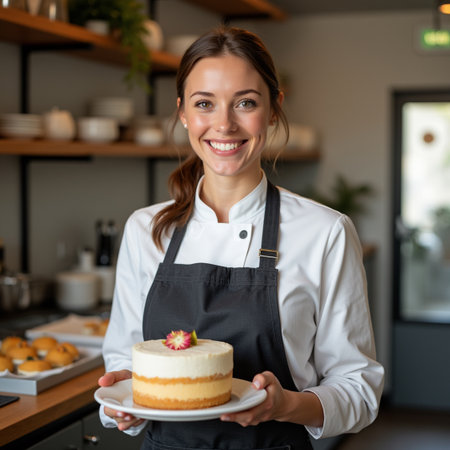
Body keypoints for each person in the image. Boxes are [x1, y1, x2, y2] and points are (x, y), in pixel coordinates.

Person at [98, 25, 384, 450]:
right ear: (182, 113)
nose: (224, 125)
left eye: (245, 103)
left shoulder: (324, 232)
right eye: (204, 104)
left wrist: (284, 405)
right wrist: (120, 404)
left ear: (273, 108)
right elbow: (124, 361)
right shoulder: (145, 230)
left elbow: (359, 390)